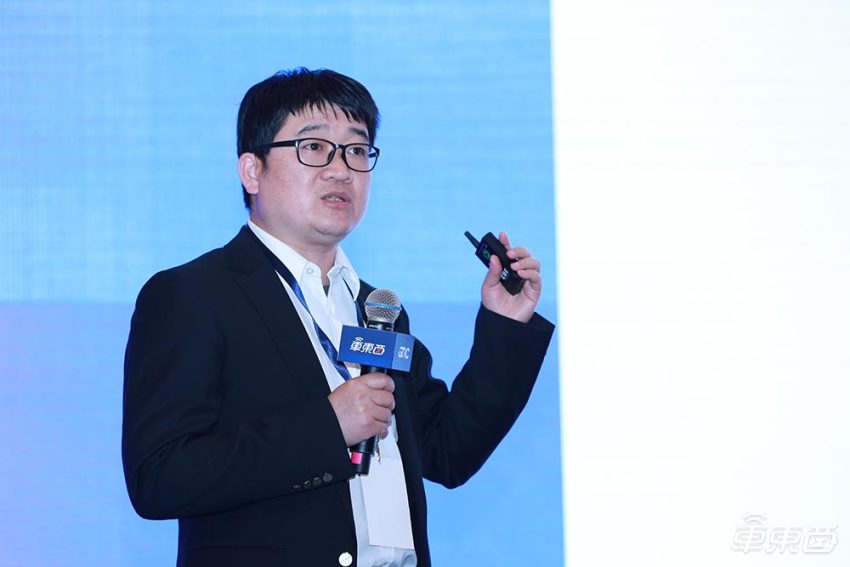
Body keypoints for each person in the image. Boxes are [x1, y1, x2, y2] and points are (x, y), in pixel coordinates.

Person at [122, 67, 554, 567]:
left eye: (357, 150)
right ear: (252, 171)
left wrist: (506, 323)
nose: (341, 170)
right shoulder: (193, 295)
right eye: (313, 147)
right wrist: (328, 427)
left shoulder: (379, 310)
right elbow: (160, 476)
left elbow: (448, 451)